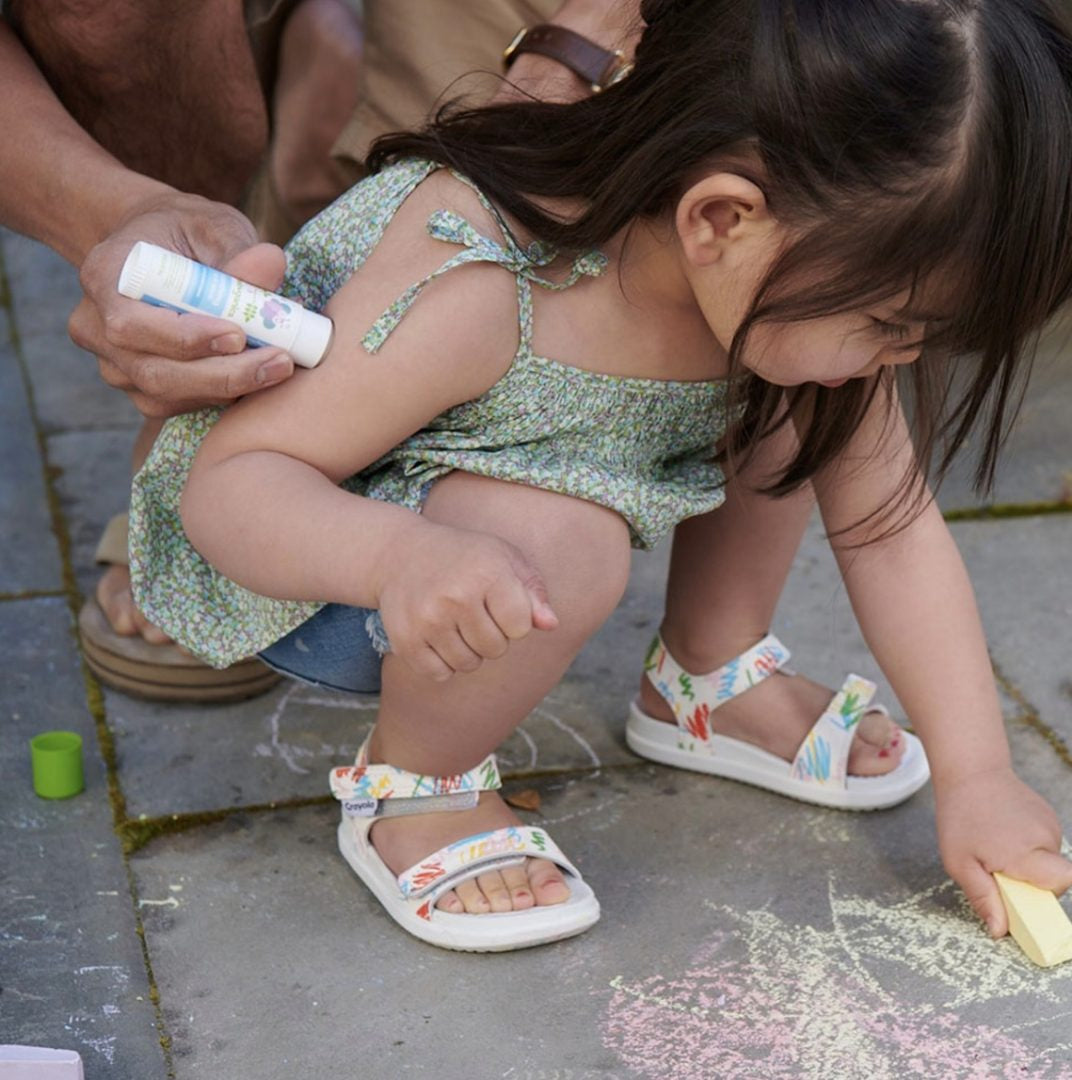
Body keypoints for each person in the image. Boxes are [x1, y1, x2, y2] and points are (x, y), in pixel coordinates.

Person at [124, 0, 1072, 951]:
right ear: (720, 217)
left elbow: (893, 536)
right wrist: (397, 559)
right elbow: (231, 480)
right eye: (894, 322)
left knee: (813, 390)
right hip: (336, 564)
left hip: (500, 512)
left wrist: (980, 773)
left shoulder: (766, 272)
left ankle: (707, 675)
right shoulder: (480, 286)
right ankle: (417, 788)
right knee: (570, 546)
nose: (902, 358)